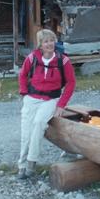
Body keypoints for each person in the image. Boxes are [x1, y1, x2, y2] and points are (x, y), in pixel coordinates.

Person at [17, 29, 76, 179]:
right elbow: (22, 75)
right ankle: (22, 165)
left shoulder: (63, 61)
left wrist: (61, 105)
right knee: (26, 132)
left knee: (38, 124)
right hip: (32, 98)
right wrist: (24, 93)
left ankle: (31, 162)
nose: (49, 44)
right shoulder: (32, 58)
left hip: (50, 99)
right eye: (46, 41)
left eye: (52, 40)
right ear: (40, 45)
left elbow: (71, 83)